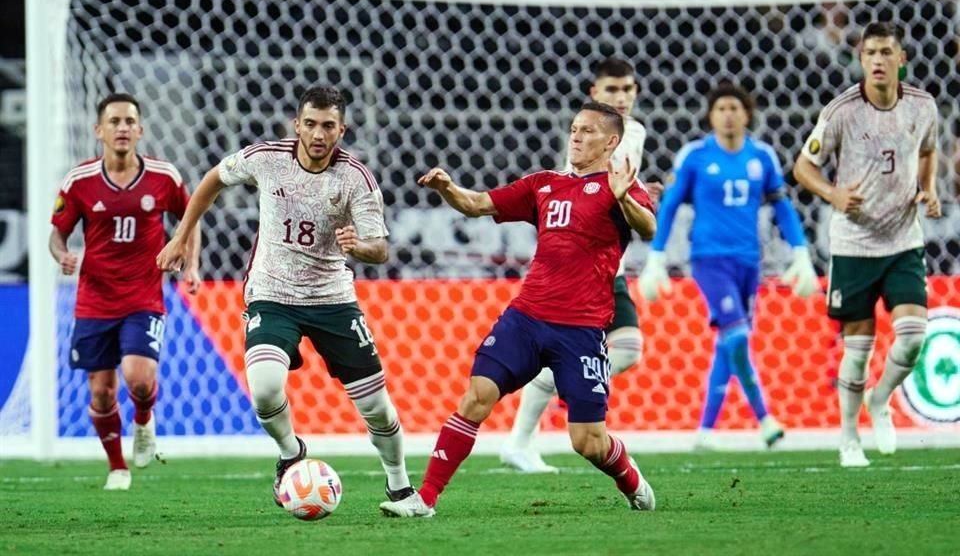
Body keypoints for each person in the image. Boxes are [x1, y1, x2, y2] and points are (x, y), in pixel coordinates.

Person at [380, 101, 658, 518]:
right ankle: (425, 499)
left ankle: (630, 479)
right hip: (526, 317)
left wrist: (624, 198)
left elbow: (648, 227)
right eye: (574, 128)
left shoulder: (620, 187)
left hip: (580, 329)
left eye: (587, 131)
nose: (576, 137)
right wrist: (447, 188)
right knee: (477, 396)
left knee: (587, 442)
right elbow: (476, 204)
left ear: (611, 141)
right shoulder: (543, 184)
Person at [156, 85, 418, 508]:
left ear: (342, 129)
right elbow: (211, 182)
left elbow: (380, 248)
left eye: (328, 126)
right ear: (296, 124)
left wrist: (359, 245)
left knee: (377, 407)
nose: (318, 134)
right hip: (272, 293)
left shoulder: (356, 179)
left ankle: (400, 485)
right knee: (264, 388)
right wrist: (182, 238)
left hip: (332, 298)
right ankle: (290, 452)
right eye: (310, 124)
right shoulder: (266, 159)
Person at [639, 82, 817, 451]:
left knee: (728, 343)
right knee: (736, 335)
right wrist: (656, 256)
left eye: (735, 107)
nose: (728, 114)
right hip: (708, 260)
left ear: (747, 114)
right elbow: (671, 205)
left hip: (750, 261)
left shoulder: (762, 156)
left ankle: (705, 431)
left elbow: (782, 207)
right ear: (710, 115)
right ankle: (765, 418)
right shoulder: (696, 156)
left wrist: (800, 251)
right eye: (721, 108)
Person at [793, 22, 940, 468]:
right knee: (857, 351)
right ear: (860, 60)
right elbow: (804, 167)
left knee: (913, 337)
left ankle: (881, 400)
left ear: (902, 59)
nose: (877, 60)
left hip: (902, 238)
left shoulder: (923, 106)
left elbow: (928, 149)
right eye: (870, 53)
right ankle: (849, 437)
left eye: (885, 52)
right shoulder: (841, 111)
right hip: (854, 243)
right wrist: (834, 194)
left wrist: (928, 189)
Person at [501, 58, 655, 473]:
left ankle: (526, 432)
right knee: (625, 348)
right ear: (594, 94)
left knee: (627, 350)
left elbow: (619, 186)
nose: (621, 98)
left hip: (609, 266)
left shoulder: (634, 132)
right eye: (611, 91)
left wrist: (638, 194)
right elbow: (576, 186)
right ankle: (521, 438)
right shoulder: (587, 136)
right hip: (578, 267)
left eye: (627, 90)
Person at [49, 93, 200, 491]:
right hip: (95, 300)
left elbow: (190, 218)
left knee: (138, 379)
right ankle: (118, 467)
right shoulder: (78, 182)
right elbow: (56, 236)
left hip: (143, 297)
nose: (122, 127)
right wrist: (63, 255)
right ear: (99, 130)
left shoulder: (163, 177)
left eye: (129, 121)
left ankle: (144, 420)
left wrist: (191, 264)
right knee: (101, 393)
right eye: (114, 121)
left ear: (140, 129)